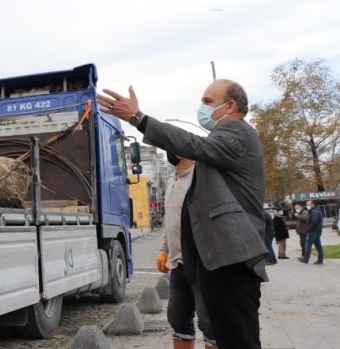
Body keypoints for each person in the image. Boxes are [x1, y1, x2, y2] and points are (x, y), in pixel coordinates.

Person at [97, 79, 268, 349]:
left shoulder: (236, 133)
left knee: (239, 339)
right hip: (219, 262)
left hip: (232, 260)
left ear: (231, 105)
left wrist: (138, 118)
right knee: (227, 336)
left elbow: (191, 144)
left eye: (208, 101)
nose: (203, 107)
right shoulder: (223, 139)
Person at [157, 152, 216, 349]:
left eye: (172, 145)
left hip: (201, 264)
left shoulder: (201, 178)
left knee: (210, 323)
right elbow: (169, 220)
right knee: (178, 319)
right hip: (178, 265)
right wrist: (163, 249)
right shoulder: (171, 181)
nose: (168, 150)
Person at [298, 200, 324, 264]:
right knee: (318, 246)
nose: (307, 206)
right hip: (316, 231)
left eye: (308, 205)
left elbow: (314, 222)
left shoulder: (314, 212)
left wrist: (308, 229)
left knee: (308, 245)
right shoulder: (315, 211)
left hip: (313, 231)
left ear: (312, 204)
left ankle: (306, 259)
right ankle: (320, 260)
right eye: (306, 205)